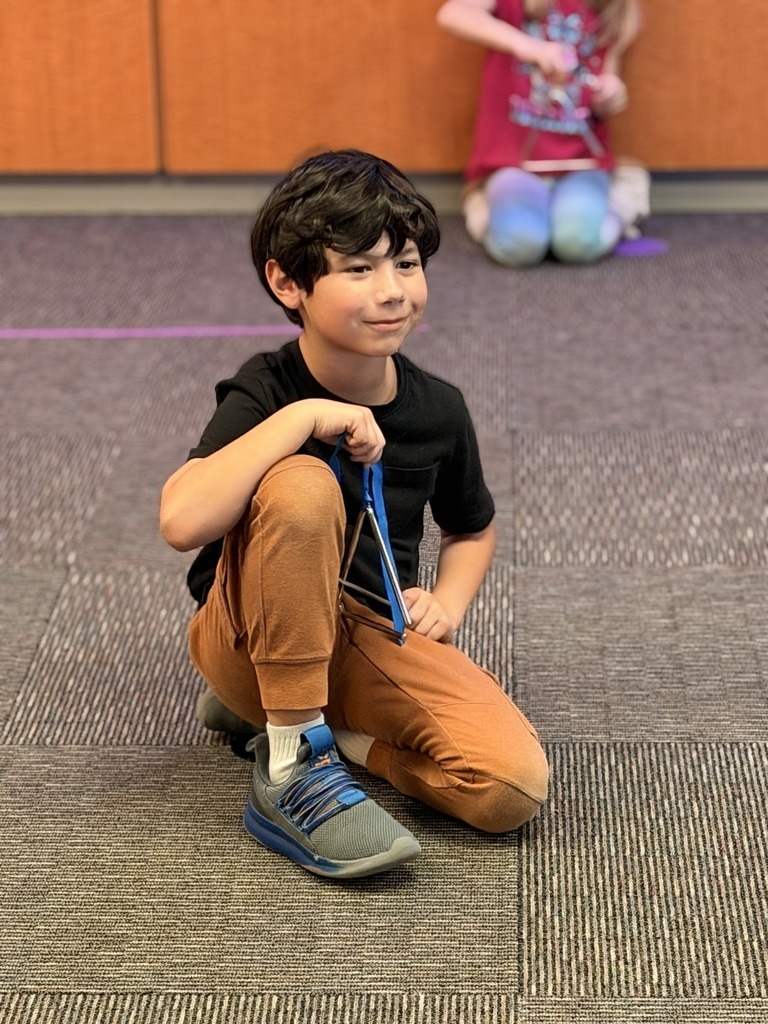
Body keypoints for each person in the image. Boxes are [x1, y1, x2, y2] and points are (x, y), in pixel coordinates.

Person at [160, 149, 548, 880]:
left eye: (406, 264)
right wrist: (307, 416)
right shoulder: (268, 389)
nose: (393, 291)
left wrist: (448, 600)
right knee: (305, 485)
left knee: (509, 788)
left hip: (366, 631)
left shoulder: (438, 407)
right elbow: (182, 520)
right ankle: (291, 764)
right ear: (287, 281)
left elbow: (472, 527)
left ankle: (325, 734)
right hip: (246, 635)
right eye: (360, 269)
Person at [437, 0, 642, 266]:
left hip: (581, 164)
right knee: (520, 246)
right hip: (514, 164)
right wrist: (525, 45)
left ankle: (621, 200)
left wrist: (610, 94)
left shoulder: (612, 9)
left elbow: (603, 92)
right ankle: (483, 203)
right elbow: (452, 14)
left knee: (578, 243)